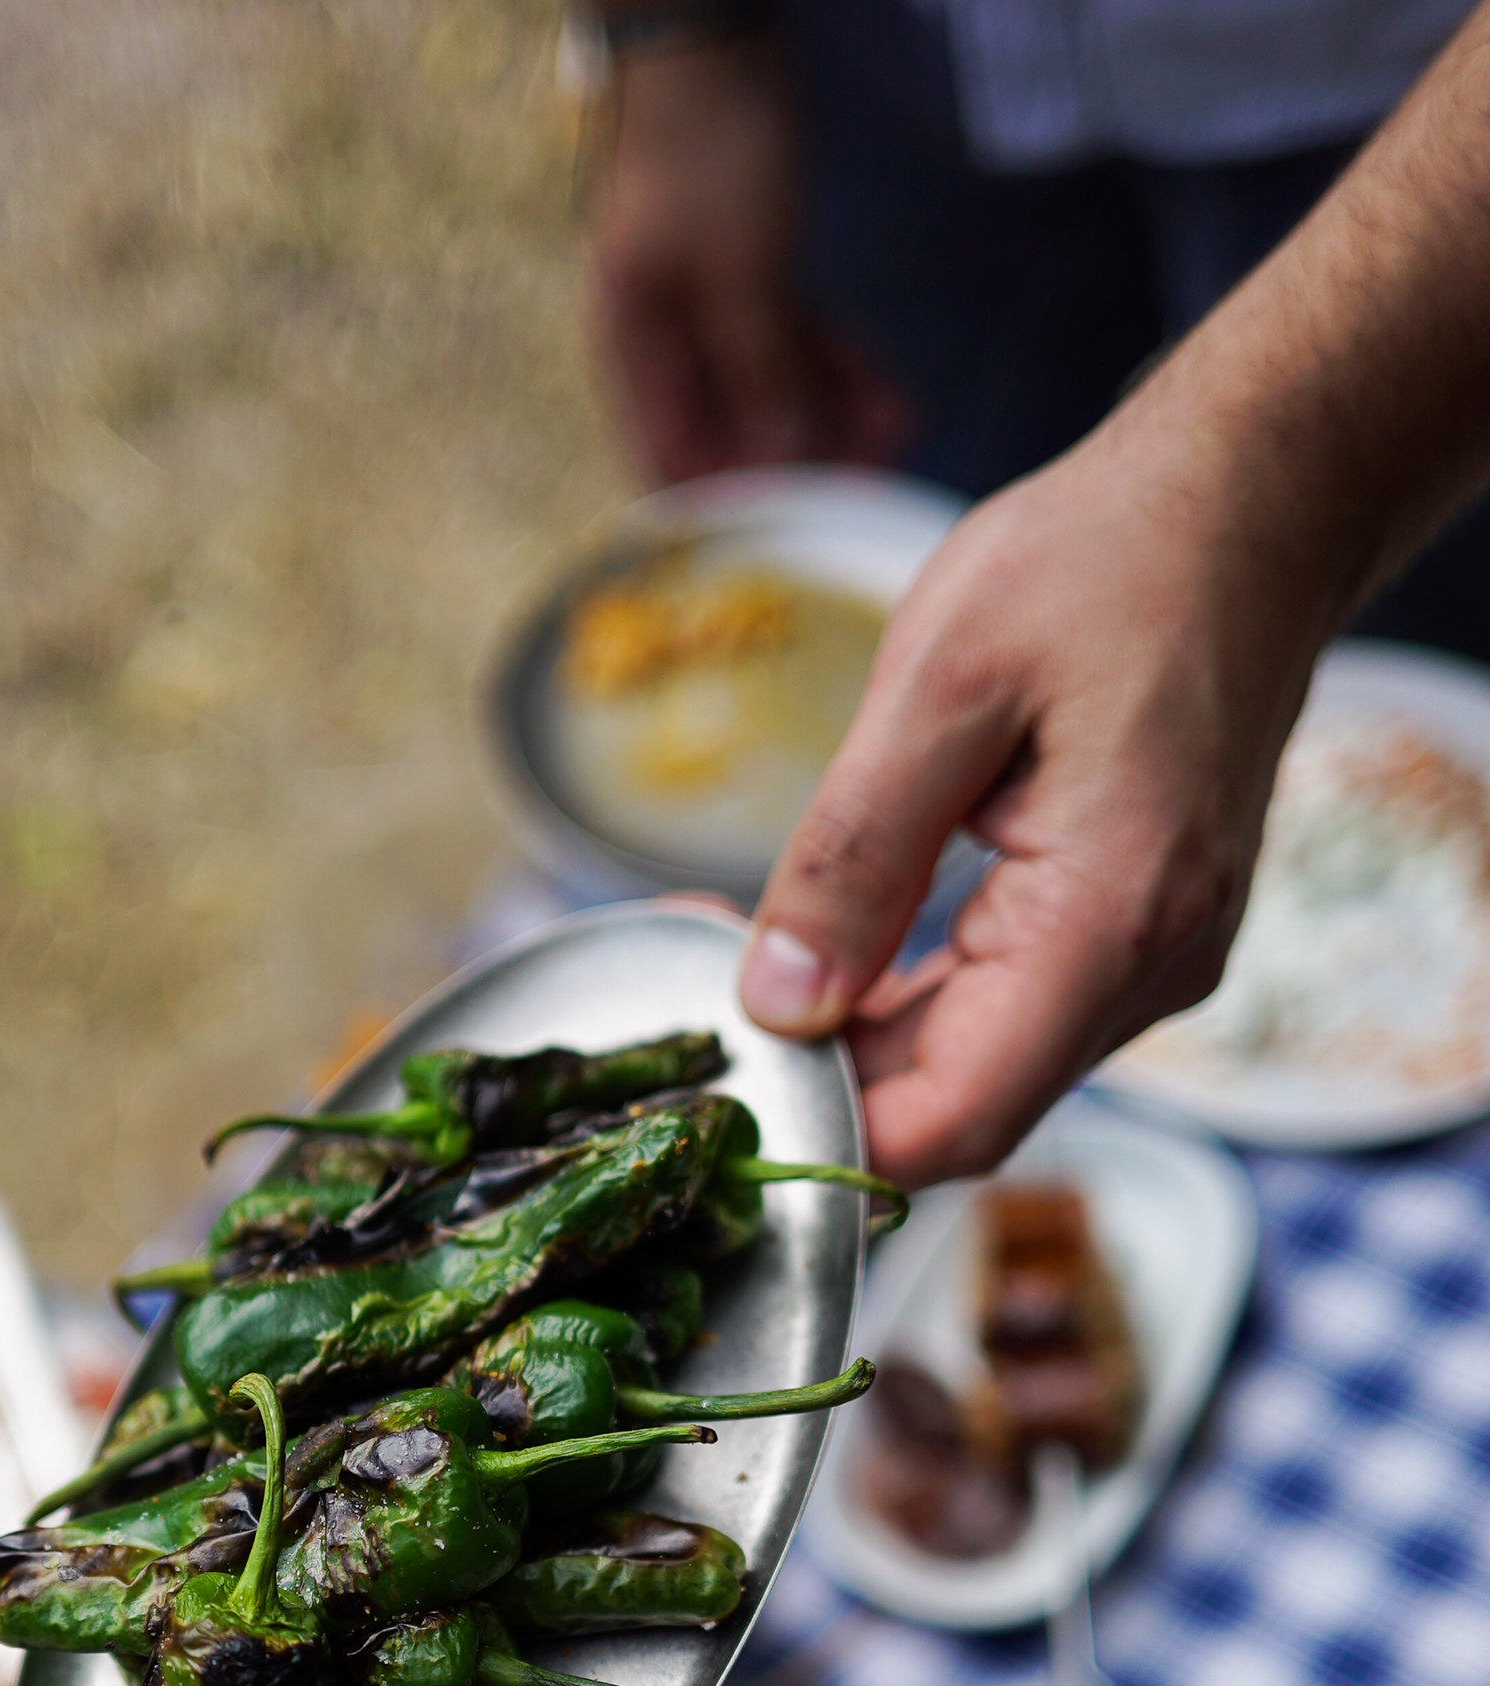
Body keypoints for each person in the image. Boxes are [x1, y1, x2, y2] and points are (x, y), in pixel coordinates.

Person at [582, 0, 1490, 1186]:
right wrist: (672, 39)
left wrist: (1270, 481)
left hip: (1398, 95)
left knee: (1414, 724)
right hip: (886, 74)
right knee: (967, 715)